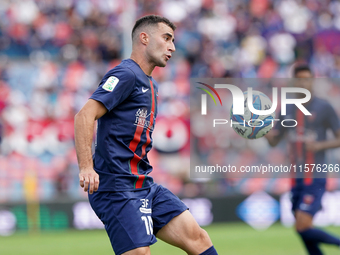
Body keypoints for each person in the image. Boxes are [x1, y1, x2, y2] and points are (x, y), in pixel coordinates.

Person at [74, 15, 218, 255]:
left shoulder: (151, 84)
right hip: (116, 187)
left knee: (199, 239)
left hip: (143, 183)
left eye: (173, 40)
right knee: (140, 253)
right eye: (166, 38)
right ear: (144, 38)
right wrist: (86, 168)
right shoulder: (125, 75)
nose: (172, 46)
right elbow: (84, 116)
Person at [265, 64, 340, 255]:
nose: (303, 83)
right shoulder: (287, 108)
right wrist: (259, 130)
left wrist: (319, 146)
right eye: (299, 79)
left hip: (315, 174)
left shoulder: (324, 107)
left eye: (307, 79)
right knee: (302, 228)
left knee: (303, 224)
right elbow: (275, 141)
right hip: (295, 177)